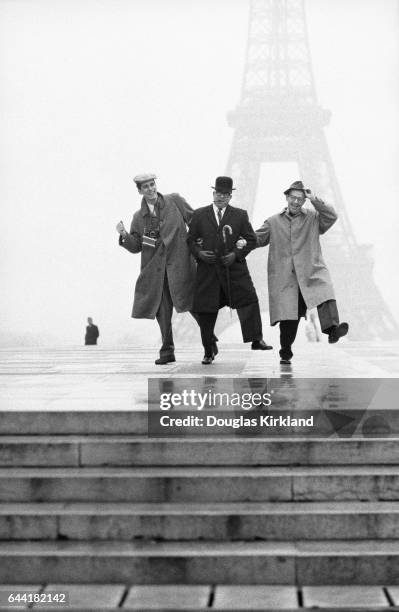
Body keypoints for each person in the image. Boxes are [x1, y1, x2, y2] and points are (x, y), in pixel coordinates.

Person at [116, 173, 215, 364]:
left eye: (152, 185)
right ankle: (167, 351)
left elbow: (194, 221)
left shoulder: (175, 201)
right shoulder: (139, 217)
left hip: (181, 265)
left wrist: (200, 243)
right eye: (145, 187)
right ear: (139, 191)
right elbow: (136, 246)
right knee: (163, 312)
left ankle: (209, 342)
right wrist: (124, 235)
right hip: (156, 272)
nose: (151, 189)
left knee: (194, 307)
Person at [256, 180, 349, 365]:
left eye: (300, 198)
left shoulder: (314, 218)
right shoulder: (273, 222)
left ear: (304, 200)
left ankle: (332, 331)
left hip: (311, 271)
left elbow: (331, 216)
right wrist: (240, 241)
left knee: (325, 293)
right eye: (293, 198)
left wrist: (314, 198)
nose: (296, 202)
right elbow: (257, 238)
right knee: (290, 318)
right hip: (287, 277)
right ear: (287, 198)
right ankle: (286, 349)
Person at [187, 176, 272, 364]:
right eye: (218, 193)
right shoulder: (199, 215)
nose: (220, 197)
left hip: (233, 270)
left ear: (230, 197)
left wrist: (235, 254)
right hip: (208, 271)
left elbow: (251, 239)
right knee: (205, 311)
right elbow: (190, 240)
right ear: (213, 193)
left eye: (225, 195)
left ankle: (256, 339)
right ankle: (208, 350)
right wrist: (199, 254)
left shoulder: (240, 215)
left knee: (249, 299)